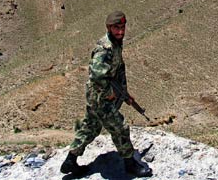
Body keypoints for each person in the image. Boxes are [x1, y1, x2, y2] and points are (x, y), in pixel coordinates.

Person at [60, 11, 152, 177]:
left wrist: (125, 94)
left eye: (122, 27)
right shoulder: (104, 48)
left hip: (95, 96)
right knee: (120, 128)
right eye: (116, 28)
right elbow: (96, 75)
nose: (121, 32)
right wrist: (110, 94)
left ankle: (70, 160)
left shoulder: (115, 43)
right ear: (109, 28)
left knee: (90, 127)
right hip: (101, 97)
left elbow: (116, 72)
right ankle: (130, 163)